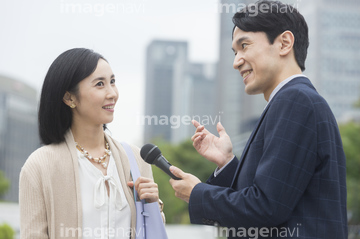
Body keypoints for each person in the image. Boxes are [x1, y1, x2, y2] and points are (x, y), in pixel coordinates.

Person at [169, 1, 348, 238]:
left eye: (244, 46)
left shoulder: (295, 100)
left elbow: (266, 208)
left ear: (284, 43)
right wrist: (227, 163)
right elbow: (274, 196)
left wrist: (198, 193)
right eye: (235, 52)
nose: (236, 61)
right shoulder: (292, 101)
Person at [19, 48, 163, 239]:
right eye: (100, 84)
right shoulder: (40, 166)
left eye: (112, 82)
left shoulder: (137, 159)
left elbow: (153, 232)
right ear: (69, 97)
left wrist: (154, 205)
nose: (112, 93)